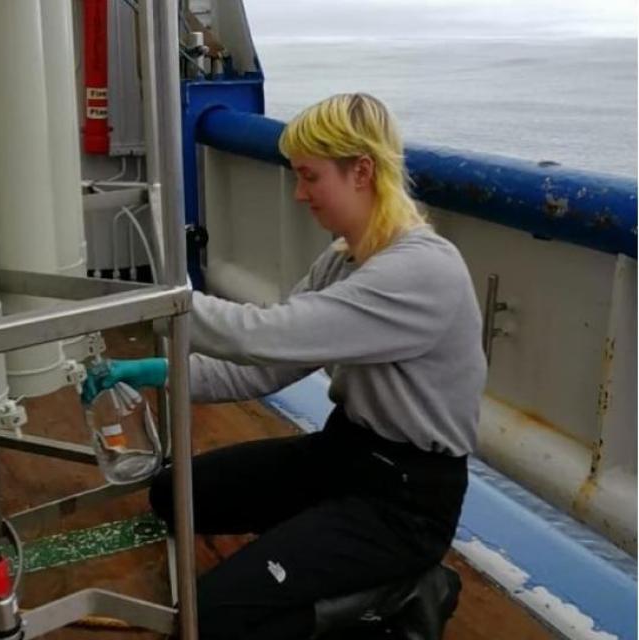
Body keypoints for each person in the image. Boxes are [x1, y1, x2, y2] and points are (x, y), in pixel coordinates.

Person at [84, 93, 487, 639]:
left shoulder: (421, 272)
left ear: (361, 171)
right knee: (174, 494)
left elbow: (264, 334)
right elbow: (266, 367)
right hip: (345, 452)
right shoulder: (343, 257)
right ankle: (322, 544)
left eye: (309, 176)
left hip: (404, 499)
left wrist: (159, 302)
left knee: (210, 622)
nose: (299, 194)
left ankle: (403, 593)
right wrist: (161, 371)